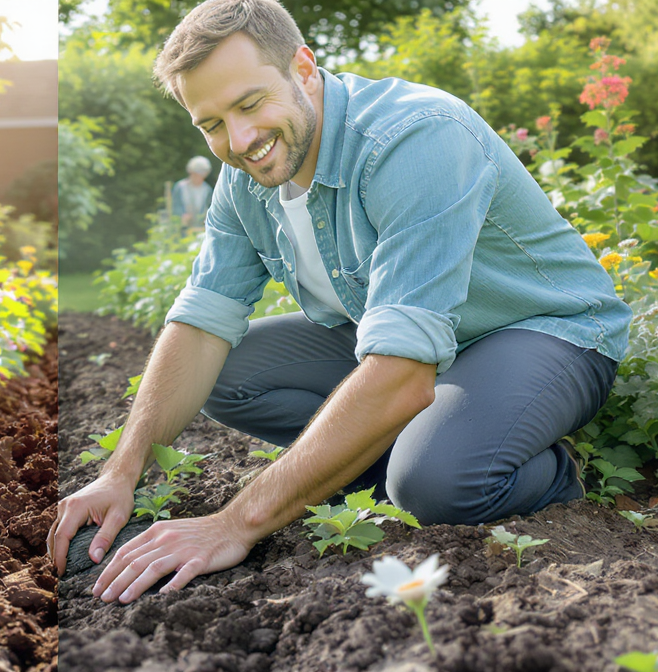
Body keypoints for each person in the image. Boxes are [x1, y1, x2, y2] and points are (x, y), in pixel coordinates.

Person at [47, 0, 630, 605]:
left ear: (303, 67)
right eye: (211, 123)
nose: (239, 140)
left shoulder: (414, 138)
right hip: (408, 343)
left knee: (435, 484)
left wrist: (235, 522)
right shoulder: (244, 177)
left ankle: (536, 467)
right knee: (228, 372)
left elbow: (401, 372)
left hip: (539, 333)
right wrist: (120, 471)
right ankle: (415, 442)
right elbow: (202, 318)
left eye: (249, 104)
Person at [171, 156, 214, 229]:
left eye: (201, 174)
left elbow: (210, 207)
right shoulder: (180, 187)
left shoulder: (207, 190)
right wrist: (181, 216)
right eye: (195, 173)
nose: (197, 177)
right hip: (182, 227)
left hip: (200, 228)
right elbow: (175, 206)